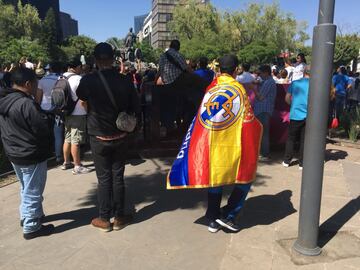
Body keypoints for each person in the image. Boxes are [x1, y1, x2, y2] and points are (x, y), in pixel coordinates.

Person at [167, 55, 262, 233]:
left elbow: (202, 116)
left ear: (219, 69)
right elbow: (248, 119)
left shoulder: (212, 87)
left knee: (215, 179)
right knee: (245, 178)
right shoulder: (238, 90)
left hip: (212, 143)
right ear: (236, 70)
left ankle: (212, 217)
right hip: (231, 143)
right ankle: (229, 214)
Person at [76, 42, 140, 232]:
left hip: (98, 135)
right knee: (118, 176)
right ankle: (120, 217)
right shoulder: (125, 80)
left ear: (95, 60)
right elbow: (135, 107)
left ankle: (104, 219)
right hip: (120, 134)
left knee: (103, 178)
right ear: (114, 59)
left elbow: (82, 100)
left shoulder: (88, 80)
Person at [0, 67, 54, 239]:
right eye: (36, 82)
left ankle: (29, 216)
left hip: (14, 152)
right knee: (33, 190)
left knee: (26, 187)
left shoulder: (5, 100)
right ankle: (31, 226)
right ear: (28, 83)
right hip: (30, 153)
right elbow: (41, 128)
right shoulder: (26, 104)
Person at [61, 59, 90, 174]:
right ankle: (77, 166)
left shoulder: (61, 77)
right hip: (78, 113)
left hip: (66, 112)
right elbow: (84, 100)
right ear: (77, 67)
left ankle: (66, 162)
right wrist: (88, 111)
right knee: (76, 140)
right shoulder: (78, 79)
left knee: (67, 138)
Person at [282, 67, 310, 170]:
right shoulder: (315, 84)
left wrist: (293, 105)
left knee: (291, 138)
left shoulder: (295, 83)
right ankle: (302, 163)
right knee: (304, 140)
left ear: (303, 72)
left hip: (295, 114)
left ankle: (287, 160)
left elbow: (287, 98)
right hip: (309, 115)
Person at [38, 62, 65, 162]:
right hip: (58, 110)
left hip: (44, 109)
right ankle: (59, 156)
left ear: (50, 69)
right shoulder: (62, 80)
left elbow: (38, 97)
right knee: (58, 134)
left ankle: (47, 154)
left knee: (46, 133)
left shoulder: (42, 80)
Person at [253, 65, 277, 161]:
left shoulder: (269, 82)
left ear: (266, 73)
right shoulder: (266, 81)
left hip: (264, 110)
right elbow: (259, 82)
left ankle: (264, 154)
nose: (259, 75)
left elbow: (260, 97)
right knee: (262, 133)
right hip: (262, 110)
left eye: (260, 73)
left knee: (263, 134)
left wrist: (253, 88)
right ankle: (262, 153)